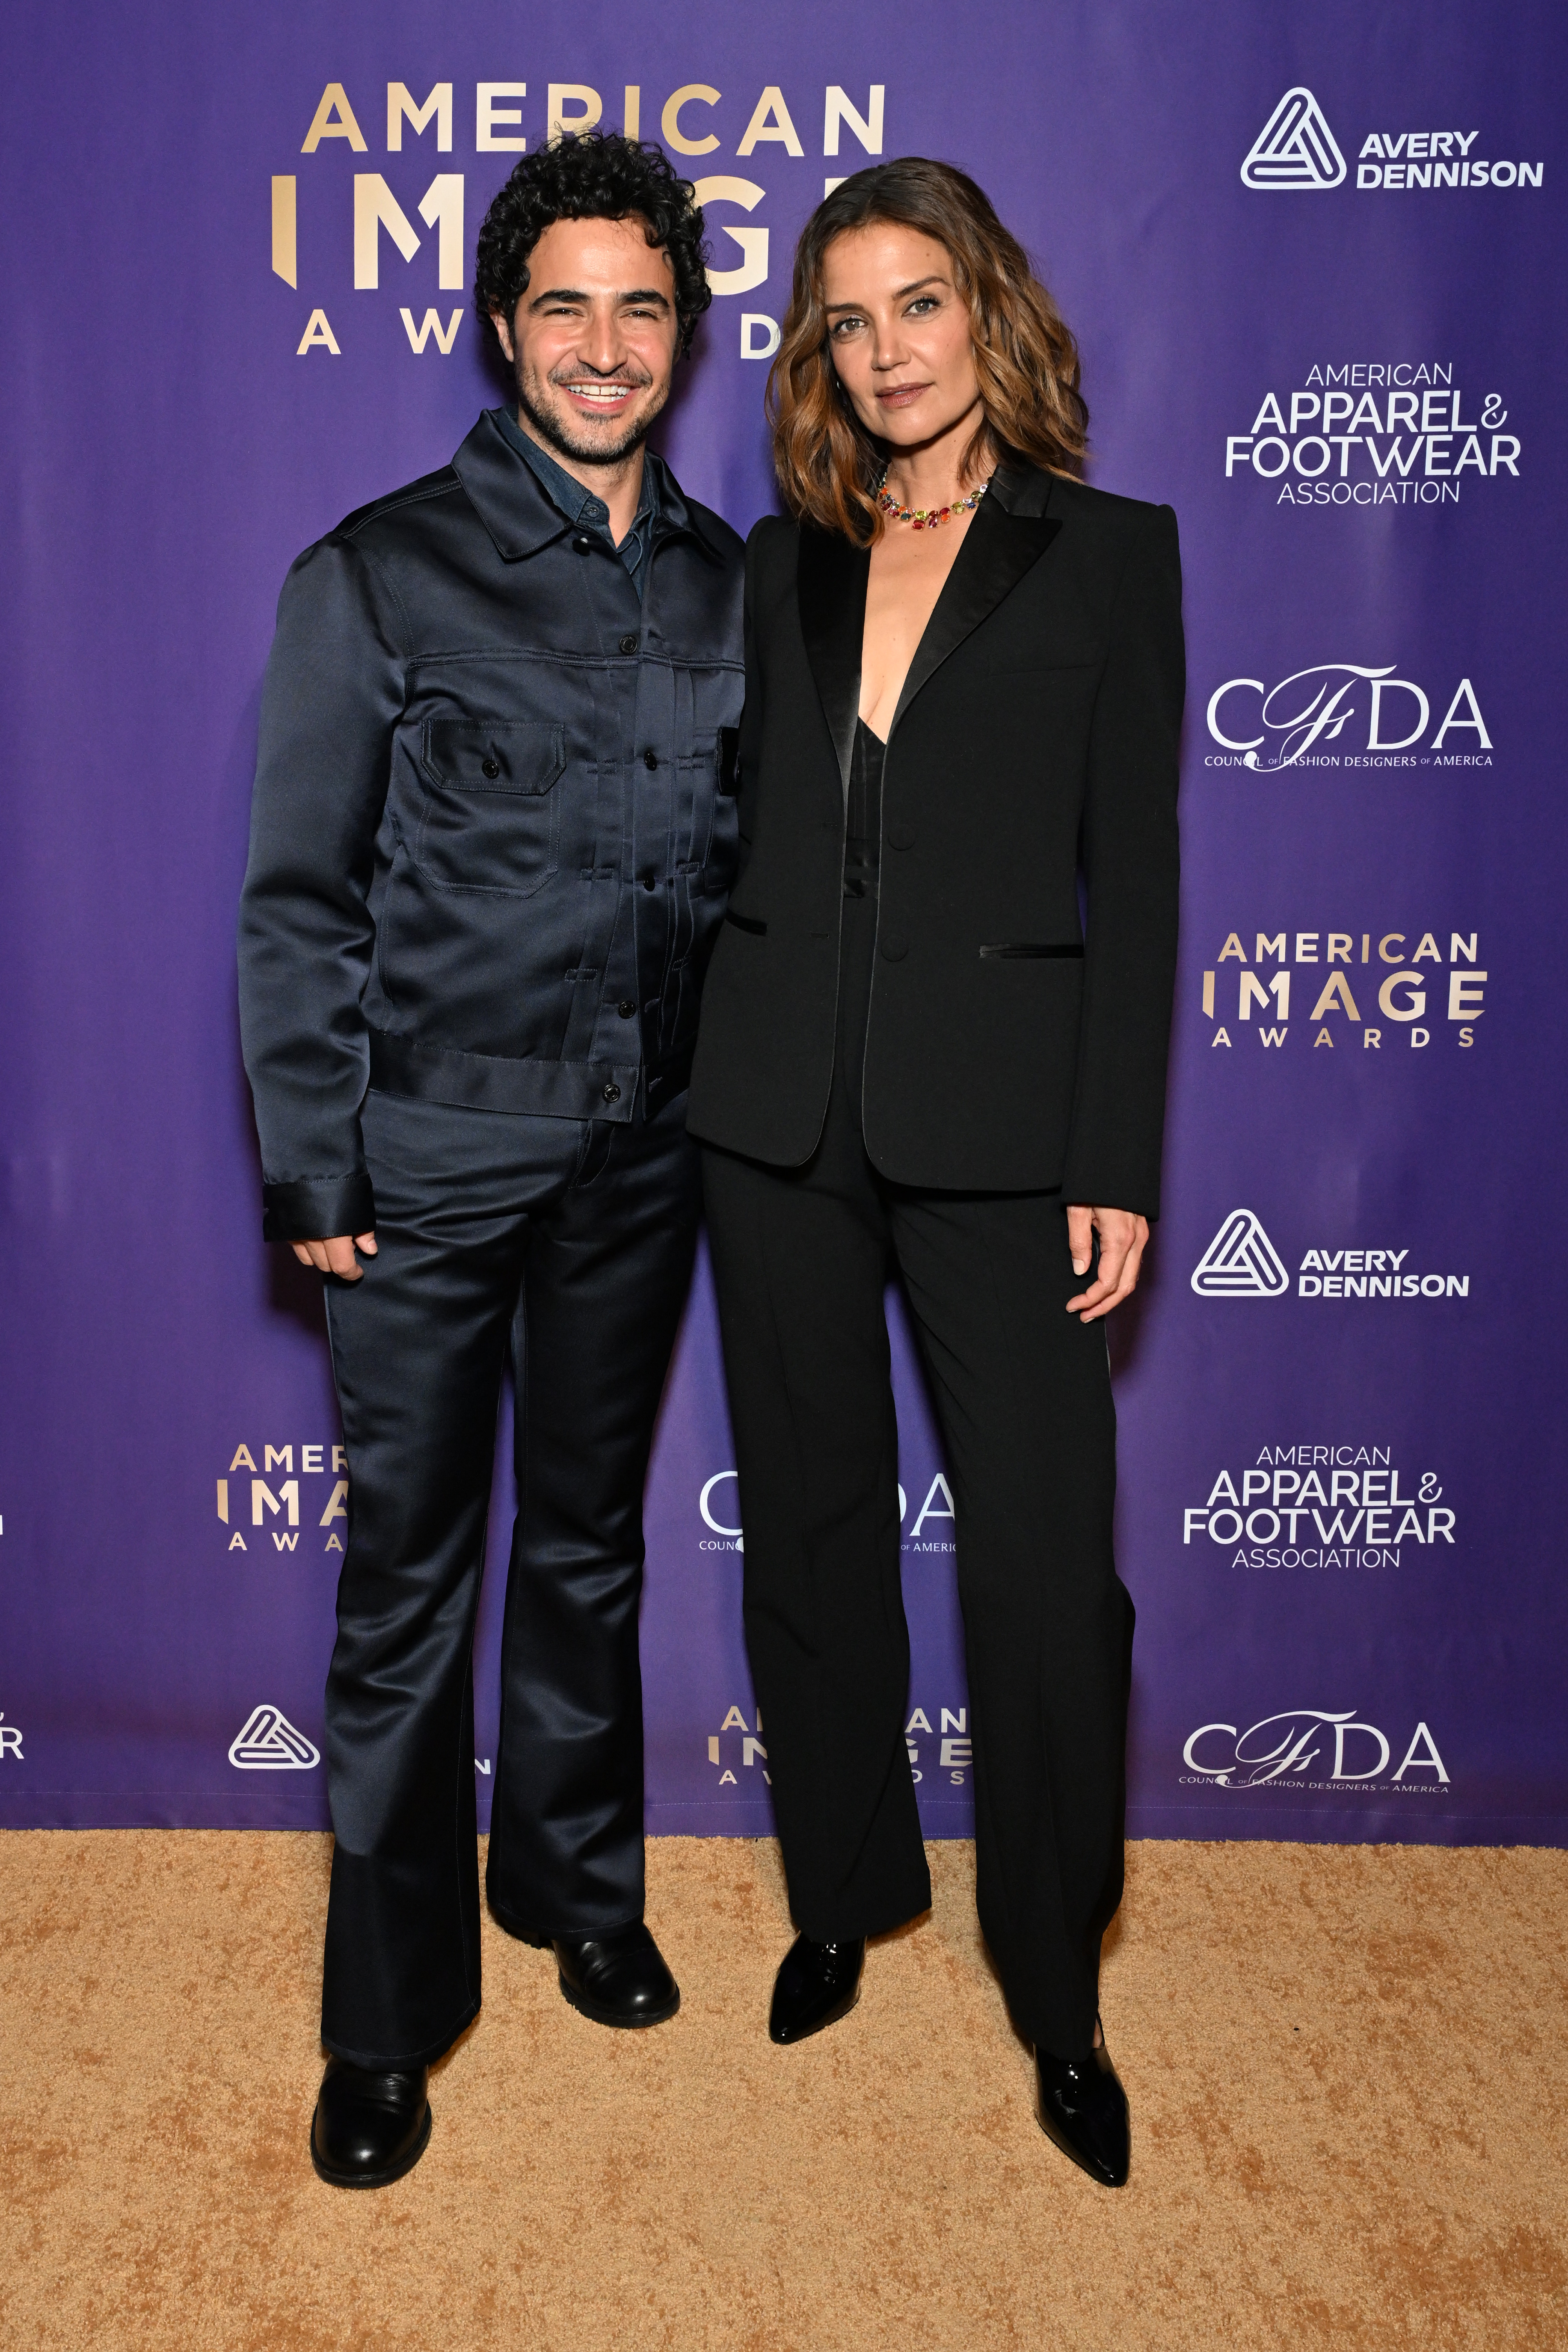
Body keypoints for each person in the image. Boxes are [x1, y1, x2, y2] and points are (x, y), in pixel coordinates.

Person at [238, 133, 744, 2189]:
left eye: (643, 306)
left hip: (648, 1158)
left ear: (687, 335)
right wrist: (314, 1167)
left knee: (593, 1546)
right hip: (431, 1165)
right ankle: (384, 2023)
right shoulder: (376, 573)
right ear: (502, 329)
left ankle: (576, 1890)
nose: (605, 346)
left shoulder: (733, 586)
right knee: (406, 1589)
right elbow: (298, 899)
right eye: (566, 306)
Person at [687, 159, 1182, 2189]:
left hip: (1004, 1134)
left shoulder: (1109, 553)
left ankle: (1055, 1991)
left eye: (919, 304)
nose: (885, 351)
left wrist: (1116, 1154)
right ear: (819, 345)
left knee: (1049, 1573)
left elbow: (1135, 883)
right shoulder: (774, 559)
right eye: (847, 318)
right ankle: (839, 1896)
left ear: (987, 308)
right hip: (776, 1118)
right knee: (809, 1538)